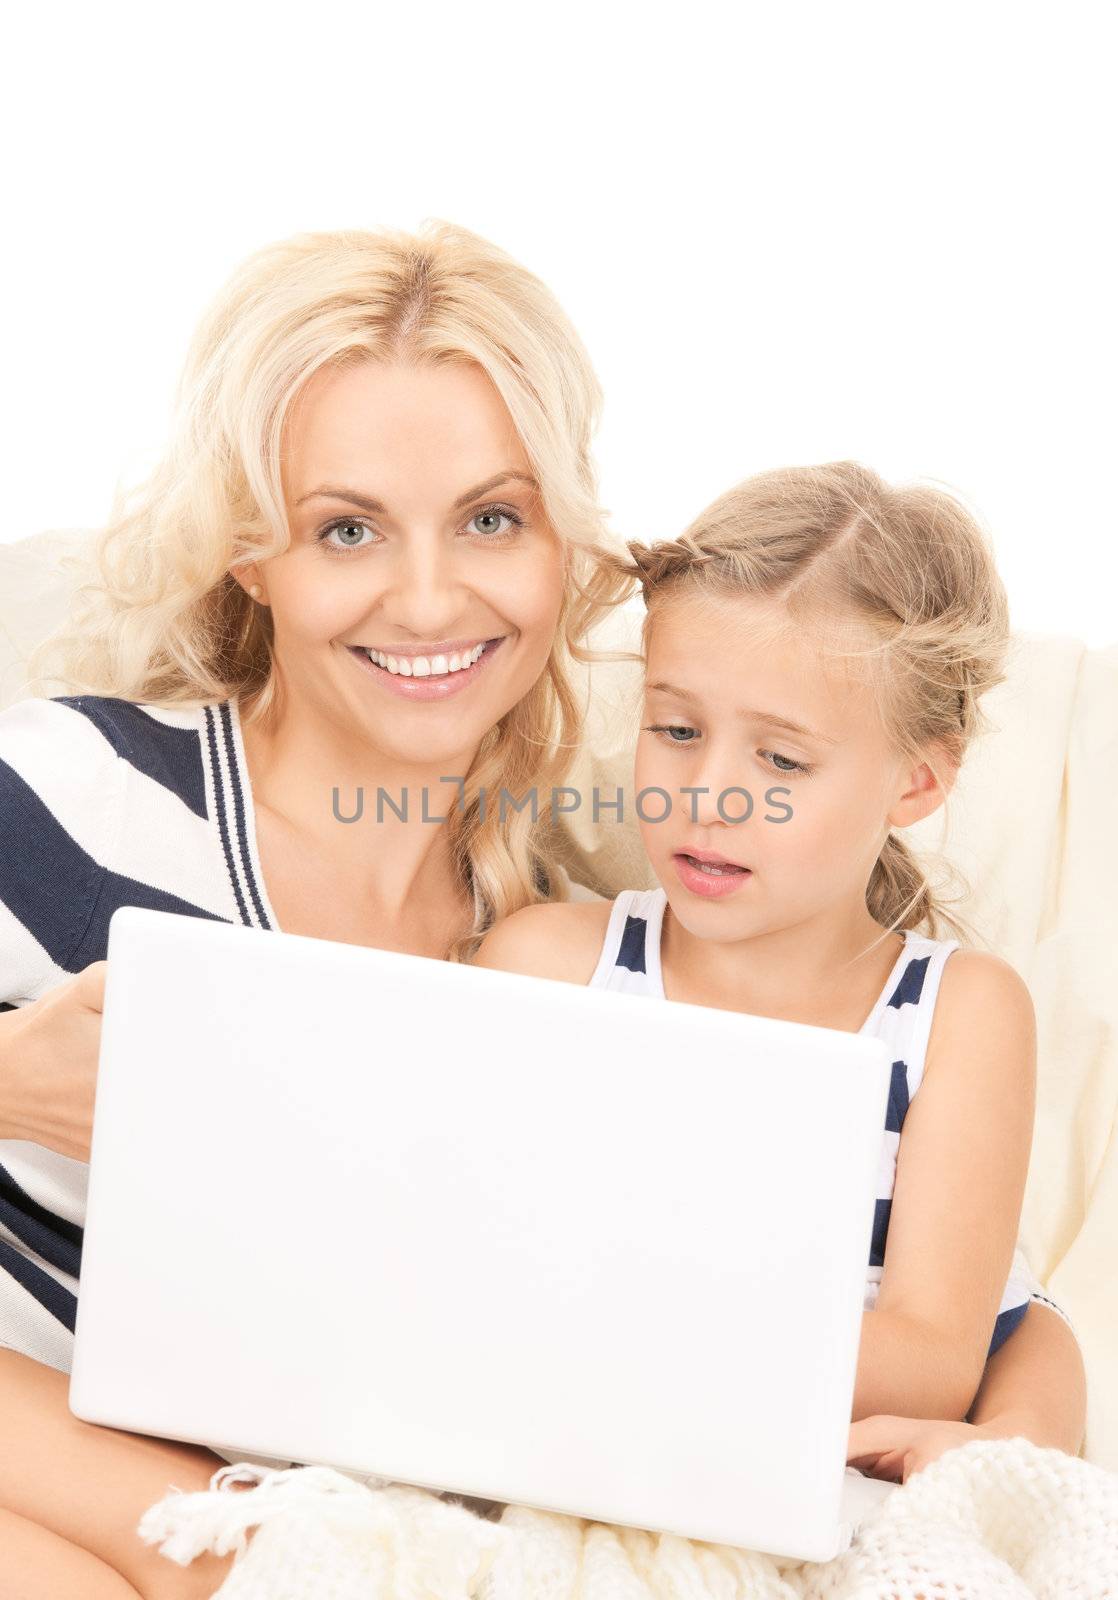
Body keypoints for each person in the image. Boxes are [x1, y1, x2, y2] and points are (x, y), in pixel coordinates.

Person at [0, 220, 616, 1597]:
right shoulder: (68, 792)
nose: (426, 597)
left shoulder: (559, 950)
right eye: (347, 529)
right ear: (247, 551)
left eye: (491, 519)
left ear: (564, 542)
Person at [474, 461, 1088, 1486]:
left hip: (827, 1459)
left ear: (916, 779)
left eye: (780, 763)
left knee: (1034, 1361)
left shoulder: (957, 1016)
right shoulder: (549, 965)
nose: (708, 795)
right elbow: (462, 1245)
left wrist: (618, 1338)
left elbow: (936, 1361)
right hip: (590, 1436)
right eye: (676, 730)